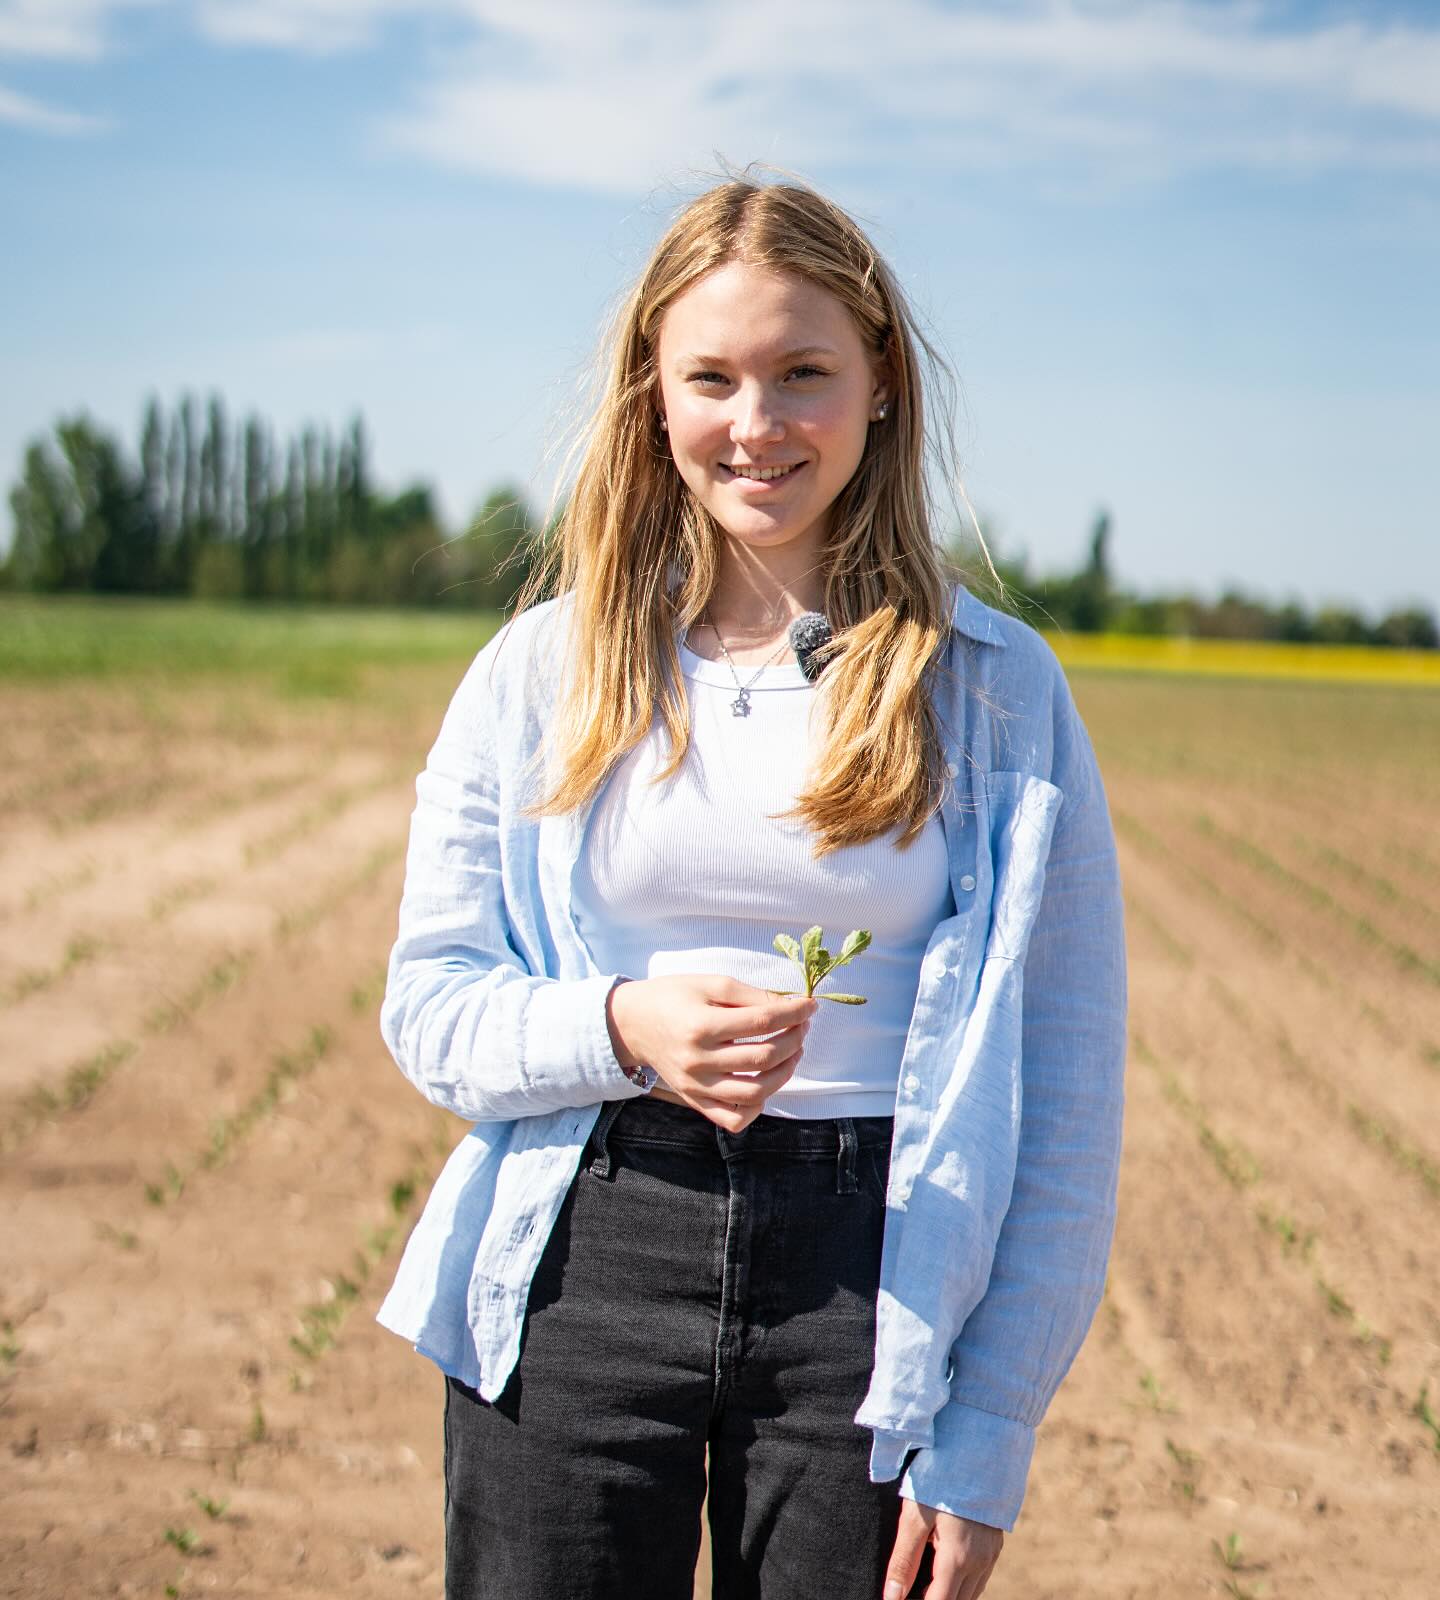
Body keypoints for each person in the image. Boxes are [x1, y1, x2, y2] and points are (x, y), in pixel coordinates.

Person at [376, 176, 1127, 1600]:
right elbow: (430, 1009)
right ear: (651, 398)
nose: (757, 423)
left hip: (871, 1284)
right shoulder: (540, 673)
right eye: (710, 377)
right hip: (588, 1252)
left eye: (804, 373)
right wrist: (622, 1027)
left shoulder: (998, 694)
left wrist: (986, 1436)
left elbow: (1070, 1100)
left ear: (882, 383)